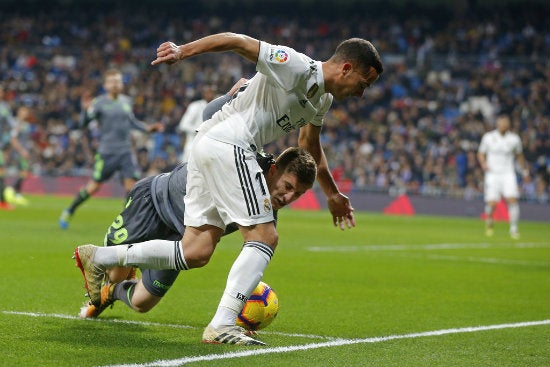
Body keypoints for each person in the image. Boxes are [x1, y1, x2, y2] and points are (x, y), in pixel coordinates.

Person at [75, 32, 383, 345]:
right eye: (363, 84)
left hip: (212, 145)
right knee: (264, 237)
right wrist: (183, 51)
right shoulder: (297, 66)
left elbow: (308, 144)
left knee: (195, 251)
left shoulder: (322, 98)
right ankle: (221, 324)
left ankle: (99, 256)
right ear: (346, 68)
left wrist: (332, 193)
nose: (360, 94)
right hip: (231, 143)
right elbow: (237, 41)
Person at [78, 146, 316, 324]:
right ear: (273, 170)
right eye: (287, 186)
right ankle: (112, 272)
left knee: (142, 303)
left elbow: (252, 258)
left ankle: (112, 292)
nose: (288, 198)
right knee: (114, 272)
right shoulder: (245, 161)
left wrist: (236, 309)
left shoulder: (266, 214)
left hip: (183, 238)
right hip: (154, 203)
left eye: (298, 194)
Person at [59, 68, 163, 229]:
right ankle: (69, 210)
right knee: (94, 186)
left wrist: (148, 129)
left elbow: (132, 122)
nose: (115, 84)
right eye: (112, 82)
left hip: (126, 151)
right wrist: (85, 111)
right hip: (107, 152)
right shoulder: (98, 102)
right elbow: (83, 124)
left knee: (132, 187)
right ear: (106, 85)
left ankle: (128, 224)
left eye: (118, 81)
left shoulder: (126, 101)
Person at [477, 114, 529, 239]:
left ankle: (514, 229)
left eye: (506, 123)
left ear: (509, 125)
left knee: (512, 200)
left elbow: (519, 156)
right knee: (492, 204)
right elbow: (481, 153)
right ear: (498, 124)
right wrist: (483, 163)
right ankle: (489, 221)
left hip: (508, 173)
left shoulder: (514, 139)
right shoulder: (488, 137)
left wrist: (525, 172)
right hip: (492, 174)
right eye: (502, 123)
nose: (504, 125)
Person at [4, 106, 34, 206]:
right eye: (23, 111)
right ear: (19, 112)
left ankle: (17, 194)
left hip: (24, 151)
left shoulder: (26, 125)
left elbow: (25, 140)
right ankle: (12, 190)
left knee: (24, 172)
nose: (25, 113)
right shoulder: (17, 124)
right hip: (18, 153)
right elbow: (13, 139)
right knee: (24, 172)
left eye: (26, 111)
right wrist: (21, 151)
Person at [178, 84, 217, 162]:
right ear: (204, 93)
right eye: (208, 92)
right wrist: (199, 130)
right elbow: (183, 125)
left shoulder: (217, 106)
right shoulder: (196, 106)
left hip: (208, 146)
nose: (210, 94)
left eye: (212, 92)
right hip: (193, 144)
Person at [0, 84, 15, 210]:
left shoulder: (5, 108)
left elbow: (10, 126)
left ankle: (2, 201)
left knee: (1, 172)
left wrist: (6, 142)